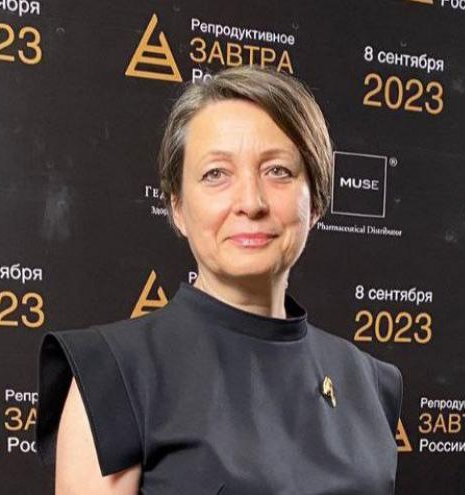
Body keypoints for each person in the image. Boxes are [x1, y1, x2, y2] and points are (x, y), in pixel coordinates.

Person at [35, 65, 403, 495]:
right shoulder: (117, 377)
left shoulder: (370, 382)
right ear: (176, 207)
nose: (251, 201)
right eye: (216, 174)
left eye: (278, 171)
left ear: (316, 200)